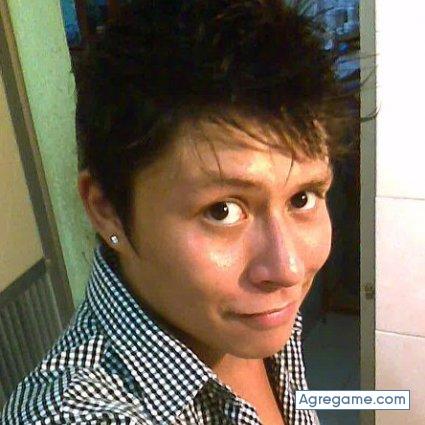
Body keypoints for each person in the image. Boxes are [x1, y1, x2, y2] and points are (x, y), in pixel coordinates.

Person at [2, 1, 355, 424]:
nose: (289, 269)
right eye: (222, 211)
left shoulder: (253, 317)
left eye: (302, 198)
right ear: (107, 209)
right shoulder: (74, 415)